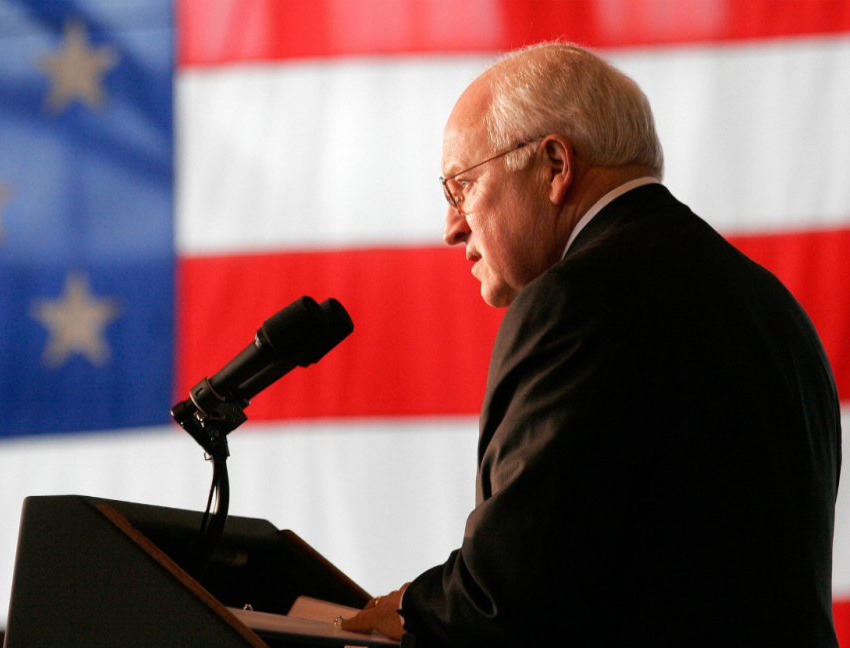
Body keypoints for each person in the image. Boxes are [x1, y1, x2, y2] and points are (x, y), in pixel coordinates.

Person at [342, 42, 841, 647]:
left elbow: (508, 599)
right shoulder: (771, 304)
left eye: (462, 187)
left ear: (555, 165)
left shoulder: (573, 301)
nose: (452, 227)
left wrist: (407, 614)